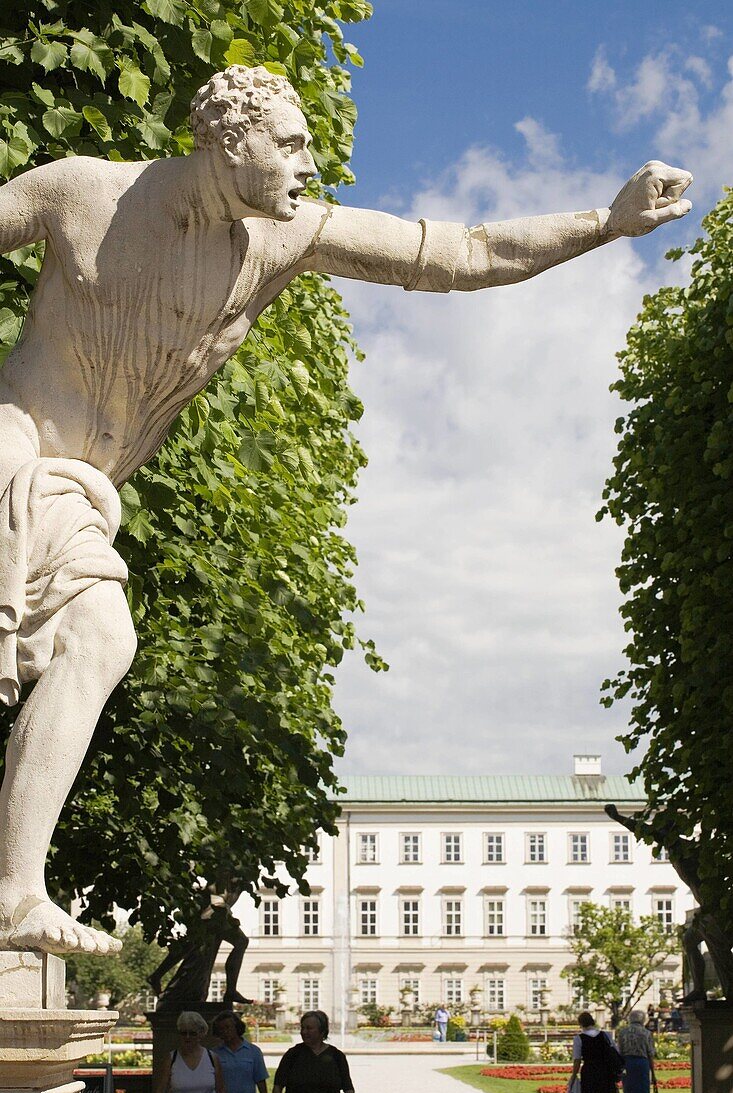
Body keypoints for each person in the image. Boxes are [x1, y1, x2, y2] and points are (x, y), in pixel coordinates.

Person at [0, 62, 693, 956]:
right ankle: (17, 889)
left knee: (95, 640)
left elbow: (461, 253)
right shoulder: (79, 192)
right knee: (102, 636)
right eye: (289, 143)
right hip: (16, 449)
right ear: (225, 140)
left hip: (88, 493)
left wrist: (605, 222)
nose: (308, 161)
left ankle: (16, 889)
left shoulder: (286, 238)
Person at [272, 1011, 354, 1093]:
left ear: (322, 1031)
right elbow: (277, 1087)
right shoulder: (293, 1054)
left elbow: (348, 1089)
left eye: (309, 1028)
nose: (304, 1032)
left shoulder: (337, 1056)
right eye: (302, 1028)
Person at [154, 1011, 226, 1093]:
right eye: (184, 1033)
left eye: (192, 1033)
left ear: (200, 1034)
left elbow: (221, 1090)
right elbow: (160, 1090)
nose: (187, 1037)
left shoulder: (212, 1058)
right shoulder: (171, 1059)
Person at [212, 1011, 268, 1093]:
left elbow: (260, 1079)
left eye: (228, 1027)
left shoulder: (254, 1051)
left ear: (236, 1027)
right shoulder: (214, 1054)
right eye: (221, 1029)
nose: (225, 1031)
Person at [567, 1011, 621, 1093]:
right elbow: (615, 1052)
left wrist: (573, 1076)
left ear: (581, 1024)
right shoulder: (605, 1035)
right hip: (605, 1070)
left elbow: (577, 1060)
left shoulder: (579, 1038)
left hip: (589, 1071)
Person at [617, 1010, 656, 1093]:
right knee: (643, 1090)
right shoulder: (647, 1033)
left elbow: (620, 1051)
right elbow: (650, 1054)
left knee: (628, 1089)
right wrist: (653, 1074)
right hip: (642, 1063)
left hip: (627, 1063)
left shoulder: (623, 1032)